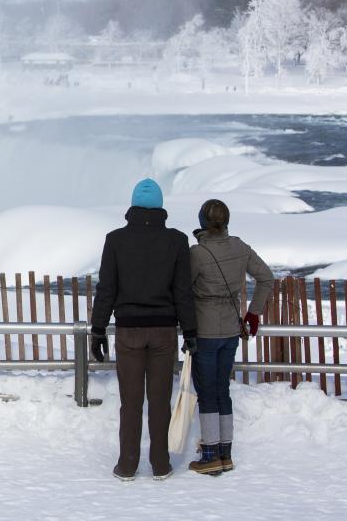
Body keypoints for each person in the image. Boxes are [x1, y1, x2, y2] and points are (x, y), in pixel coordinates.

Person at [90, 178, 197, 481]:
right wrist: (190, 332)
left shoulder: (115, 240)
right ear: (161, 207)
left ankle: (127, 465)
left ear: (133, 206)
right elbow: (183, 292)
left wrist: (98, 330)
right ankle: (161, 465)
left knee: (131, 401)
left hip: (129, 332)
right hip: (164, 332)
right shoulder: (176, 241)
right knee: (160, 400)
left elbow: (107, 289)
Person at [187, 198, 272, 475]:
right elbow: (266, 278)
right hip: (231, 331)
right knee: (222, 389)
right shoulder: (240, 246)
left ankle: (210, 454)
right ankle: (226, 453)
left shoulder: (197, 254)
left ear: (202, 222)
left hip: (206, 329)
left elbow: (182, 288)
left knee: (207, 391)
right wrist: (253, 313)